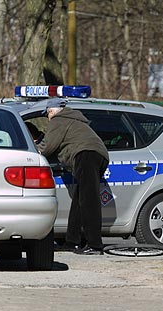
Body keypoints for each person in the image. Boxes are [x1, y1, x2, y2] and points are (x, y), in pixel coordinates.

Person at [38, 98, 109, 255]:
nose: (48, 118)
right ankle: (72, 241)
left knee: (89, 200)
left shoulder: (58, 120)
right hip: (96, 155)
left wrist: (32, 150)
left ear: (51, 111)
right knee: (79, 200)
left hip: (86, 155)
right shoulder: (74, 119)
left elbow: (47, 147)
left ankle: (95, 245)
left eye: (47, 114)